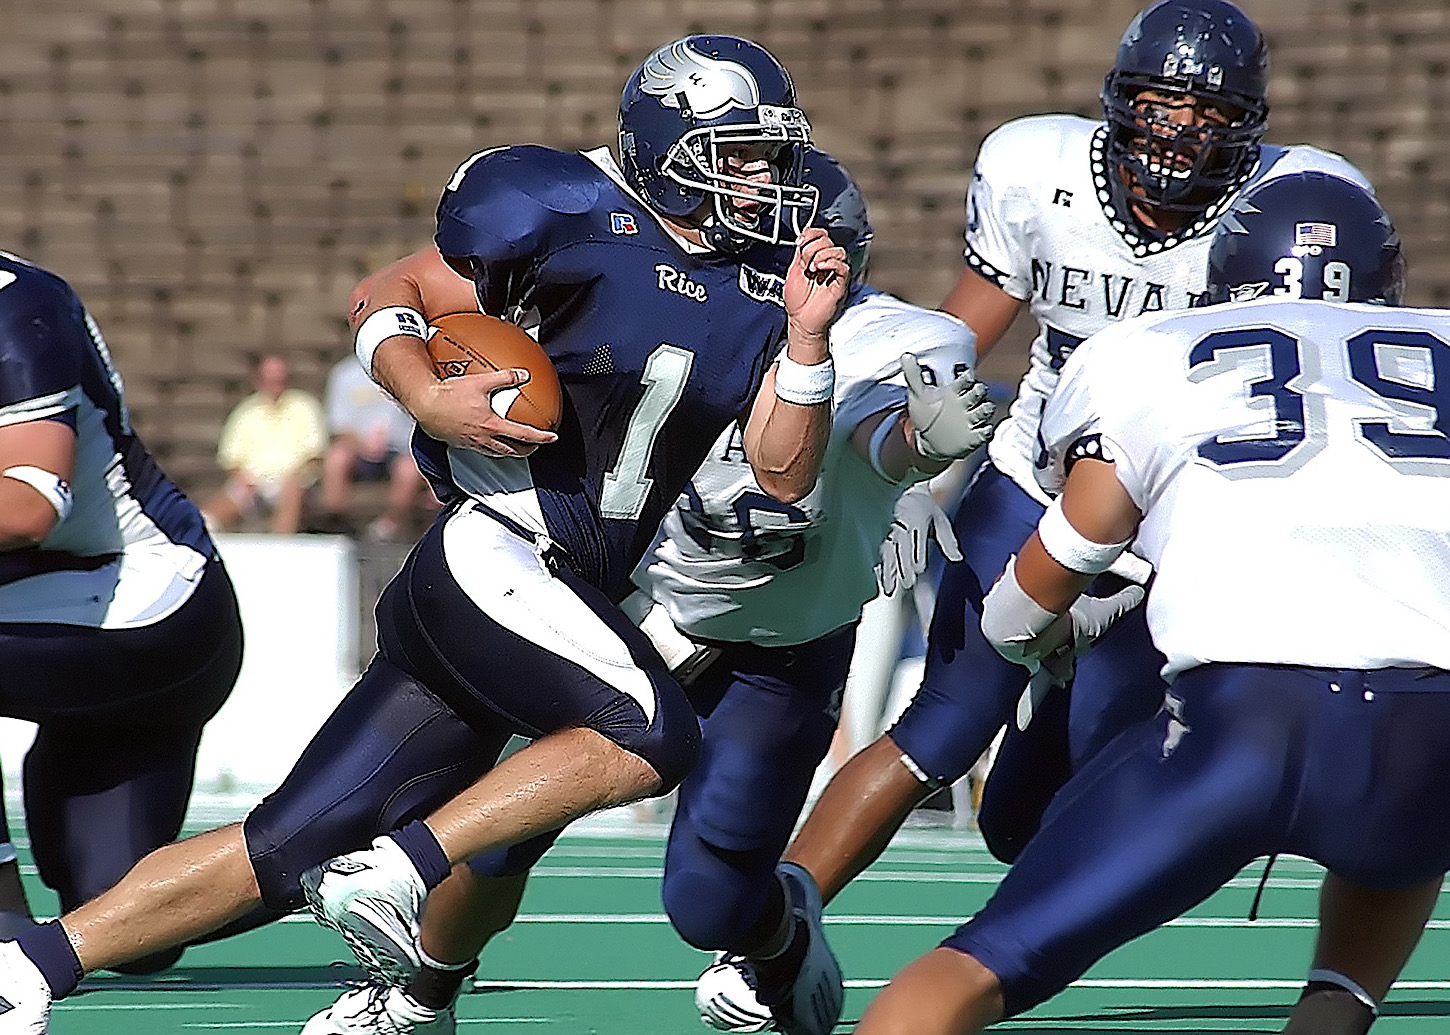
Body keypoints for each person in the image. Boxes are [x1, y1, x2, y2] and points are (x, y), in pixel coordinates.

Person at [0, 32, 852, 1034]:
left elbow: (781, 468)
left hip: (561, 582)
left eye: (769, 152)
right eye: (738, 152)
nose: (764, 177)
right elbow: (387, 295)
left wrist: (805, 343)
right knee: (649, 732)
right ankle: (399, 871)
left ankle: (32, 966)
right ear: (667, 141)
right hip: (495, 544)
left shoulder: (770, 274)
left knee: (284, 849)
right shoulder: (564, 205)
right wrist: (425, 399)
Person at [296, 149, 996, 1035]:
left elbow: (868, 440)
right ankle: (421, 996)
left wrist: (918, 445)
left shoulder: (888, 338)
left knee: (707, 899)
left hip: (780, 641)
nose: (761, 259)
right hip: (652, 606)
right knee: (510, 828)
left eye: (784, 242)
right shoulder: (681, 297)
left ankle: (777, 935)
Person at [783, 0, 1375, 929]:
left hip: (1168, 529)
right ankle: (771, 927)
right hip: (1035, 480)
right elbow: (961, 333)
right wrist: (895, 464)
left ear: (1249, 126)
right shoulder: (1037, 170)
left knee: (1052, 808)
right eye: (1162, 103)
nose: (1181, 134)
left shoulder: (1292, 205)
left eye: (1212, 114)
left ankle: (1058, 702)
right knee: (941, 724)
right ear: (1118, 101)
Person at [854, 170, 1449, 1035]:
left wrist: (1027, 638)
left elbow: (1058, 562)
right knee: (1402, 832)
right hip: (1431, 723)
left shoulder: (1152, 347)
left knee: (975, 969)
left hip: (1244, 719)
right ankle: (1338, 1009)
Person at [0, 253, 245, 972]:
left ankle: (4, 927)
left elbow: (30, 504)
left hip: (150, 608)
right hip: (58, 611)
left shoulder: (16, 301)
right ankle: (341, 847)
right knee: (127, 921)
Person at [202, 351, 327, 534]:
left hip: (295, 480)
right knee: (221, 505)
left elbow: (315, 455)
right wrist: (244, 479)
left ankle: (279, 546)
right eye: (271, 379)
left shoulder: (304, 406)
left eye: (280, 378)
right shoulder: (245, 412)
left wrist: (292, 477)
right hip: (253, 482)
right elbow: (230, 459)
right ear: (259, 380)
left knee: (291, 489)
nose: (276, 383)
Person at [317, 354, 431, 541]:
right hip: (358, 448)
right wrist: (363, 444)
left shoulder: (405, 371)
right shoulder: (343, 374)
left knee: (409, 469)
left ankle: (389, 526)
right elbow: (338, 426)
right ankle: (335, 523)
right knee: (337, 457)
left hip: (399, 448)